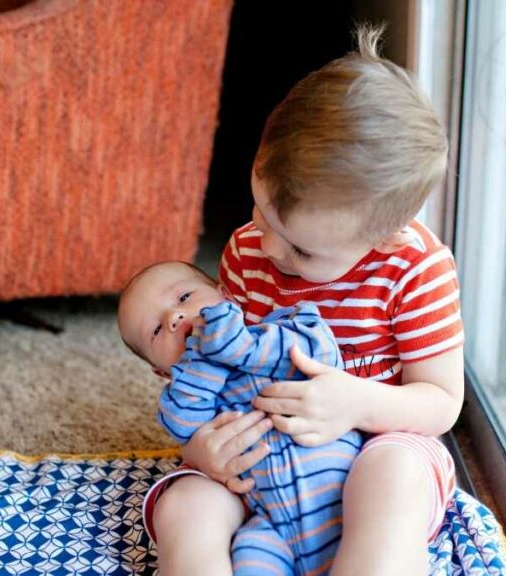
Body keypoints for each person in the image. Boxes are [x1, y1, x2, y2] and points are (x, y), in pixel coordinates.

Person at [142, 24, 464, 576]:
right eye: (261, 213)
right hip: (267, 468)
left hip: (373, 445)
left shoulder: (416, 269)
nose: (267, 247)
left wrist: (356, 403)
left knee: (393, 481)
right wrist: (203, 447)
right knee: (187, 504)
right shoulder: (246, 252)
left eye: (301, 249)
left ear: (384, 236)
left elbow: (439, 402)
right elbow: (224, 365)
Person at [117, 260, 363, 575]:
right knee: (249, 552)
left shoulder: (280, 327)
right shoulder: (189, 394)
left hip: (342, 498)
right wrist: (201, 361)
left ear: (228, 298)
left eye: (184, 298)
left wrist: (240, 347)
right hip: (272, 527)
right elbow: (182, 424)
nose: (174, 317)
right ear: (161, 371)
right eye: (156, 331)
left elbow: (322, 352)